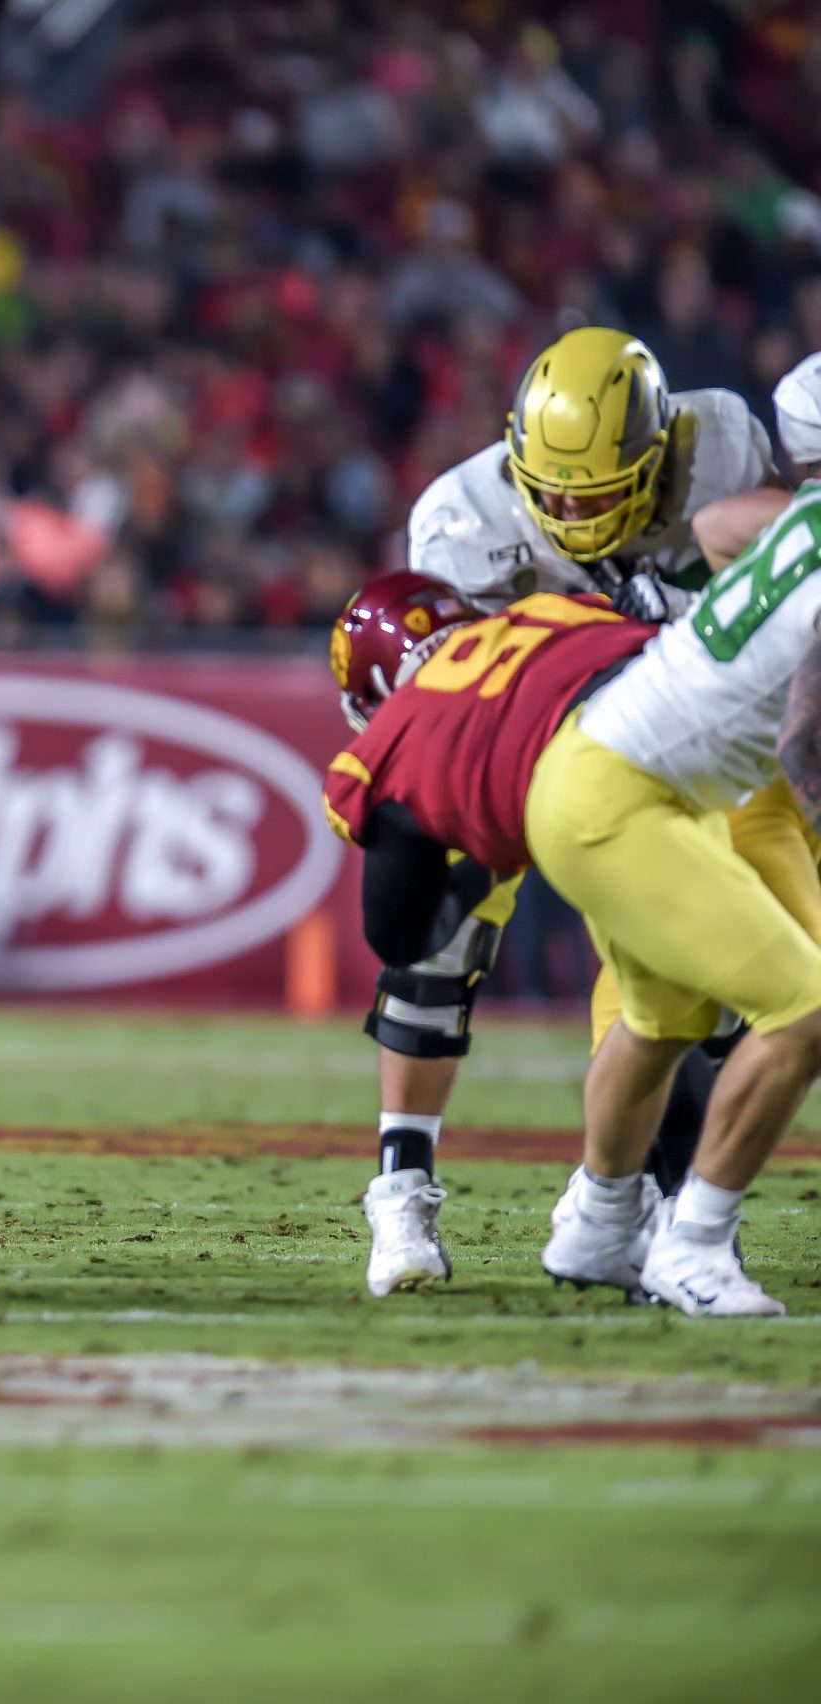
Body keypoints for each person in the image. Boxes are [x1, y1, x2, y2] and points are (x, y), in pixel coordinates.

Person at [354, 326, 787, 1294]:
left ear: (655, 452)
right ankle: (402, 1186)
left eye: (591, 493)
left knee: (677, 963)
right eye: (546, 491)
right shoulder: (461, 520)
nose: (566, 511)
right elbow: (455, 704)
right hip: (517, 743)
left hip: (659, 737)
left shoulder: (718, 450)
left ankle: (638, 1198)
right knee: (433, 940)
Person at [329, 547, 821, 1317]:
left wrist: (475, 855)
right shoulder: (546, 613)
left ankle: (599, 1221)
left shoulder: (407, 729)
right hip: (641, 773)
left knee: (664, 1021)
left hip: (610, 780)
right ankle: (691, 1241)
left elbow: (395, 933)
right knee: (803, 1008)